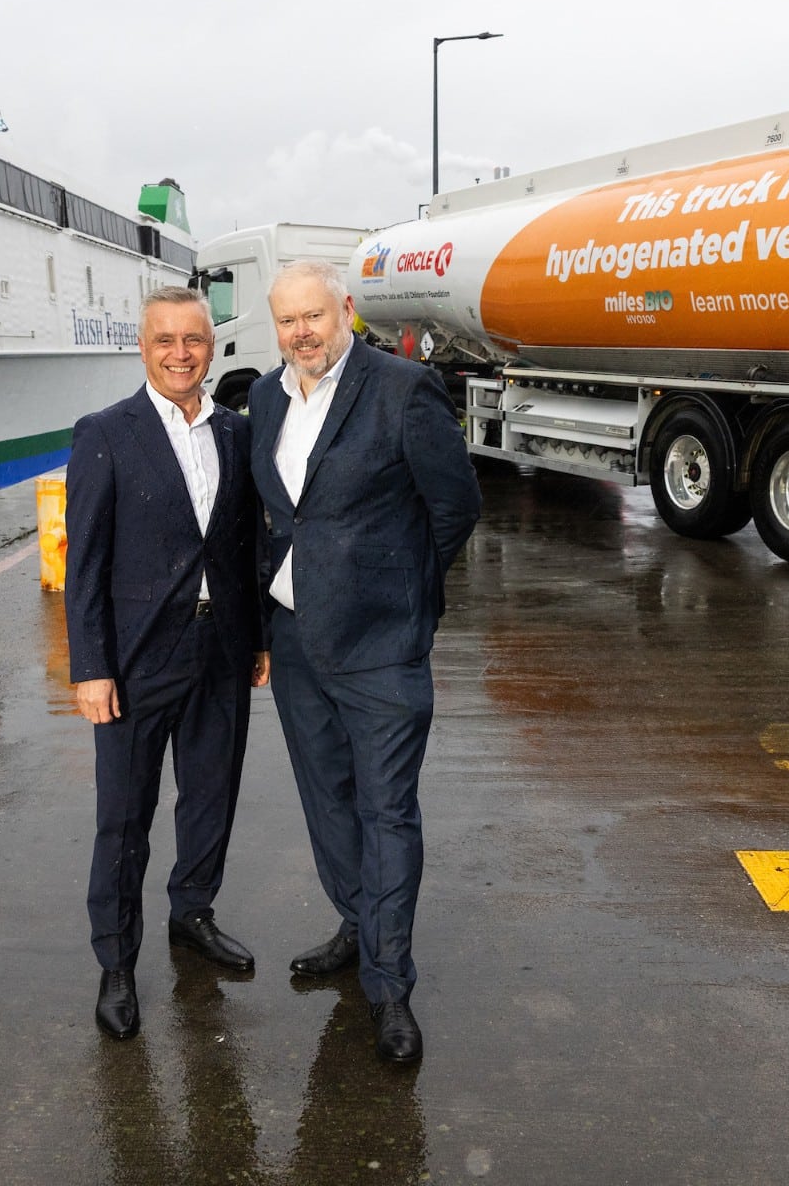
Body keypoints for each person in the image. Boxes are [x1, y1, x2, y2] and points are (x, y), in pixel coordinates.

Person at [247, 260, 482, 1063]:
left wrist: (403, 597)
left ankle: (389, 985)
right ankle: (357, 922)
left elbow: (455, 505)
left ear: (345, 309)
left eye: (313, 316)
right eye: (287, 321)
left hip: (381, 645)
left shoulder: (403, 389)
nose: (301, 334)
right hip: (294, 639)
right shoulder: (266, 397)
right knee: (328, 801)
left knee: (387, 812)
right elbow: (277, 518)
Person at [65, 285, 269, 1041]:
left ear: (212, 346)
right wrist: (91, 667)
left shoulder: (237, 433)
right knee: (124, 817)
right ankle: (117, 963)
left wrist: (258, 639)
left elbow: (246, 546)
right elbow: (84, 565)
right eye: (165, 340)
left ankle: (193, 913)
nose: (181, 354)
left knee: (211, 796)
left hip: (221, 651)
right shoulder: (105, 434)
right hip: (135, 658)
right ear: (142, 347)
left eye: (194, 340)